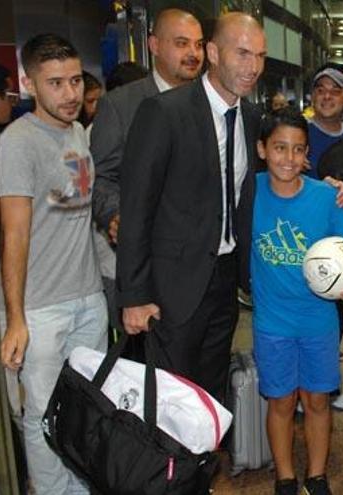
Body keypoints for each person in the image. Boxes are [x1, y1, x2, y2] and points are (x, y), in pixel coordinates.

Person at [117, 12, 266, 403]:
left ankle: (203, 464)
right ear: (213, 53)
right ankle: (171, 467)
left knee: (211, 391)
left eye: (260, 56)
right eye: (243, 54)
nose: (253, 67)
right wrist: (134, 296)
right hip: (172, 288)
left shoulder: (251, 117)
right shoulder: (165, 112)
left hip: (225, 280)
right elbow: (136, 208)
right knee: (171, 397)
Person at [0, 33, 107, 495]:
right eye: (56, 83)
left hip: (87, 298)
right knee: (42, 417)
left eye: (76, 81)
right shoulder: (18, 142)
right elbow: (14, 234)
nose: (70, 94)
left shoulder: (79, 133)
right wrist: (16, 318)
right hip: (41, 309)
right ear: (29, 83)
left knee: (84, 413)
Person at [251, 110, 343, 495]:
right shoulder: (247, 192)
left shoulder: (325, 196)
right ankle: (285, 478)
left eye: (298, 150)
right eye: (279, 148)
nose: (288, 158)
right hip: (272, 321)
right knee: (282, 402)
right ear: (261, 149)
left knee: (318, 400)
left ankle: (317, 475)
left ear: (307, 153)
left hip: (318, 319)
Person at [90, 8, 204, 352]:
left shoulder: (210, 103)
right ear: (154, 45)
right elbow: (101, 178)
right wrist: (114, 215)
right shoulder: (121, 105)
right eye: (181, 43)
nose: (193, 54)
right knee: (145, 371)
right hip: (146, 267)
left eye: (198, 45)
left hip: (198, 267)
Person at [306, 63, 343, 411]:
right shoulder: (298, 133)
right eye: (321, 89)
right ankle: (304, 387)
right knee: (307, 316)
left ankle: (326, 384)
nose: (327, 96)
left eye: (335, 90)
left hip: (341, 244)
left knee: (336, 317)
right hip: (302, 239)